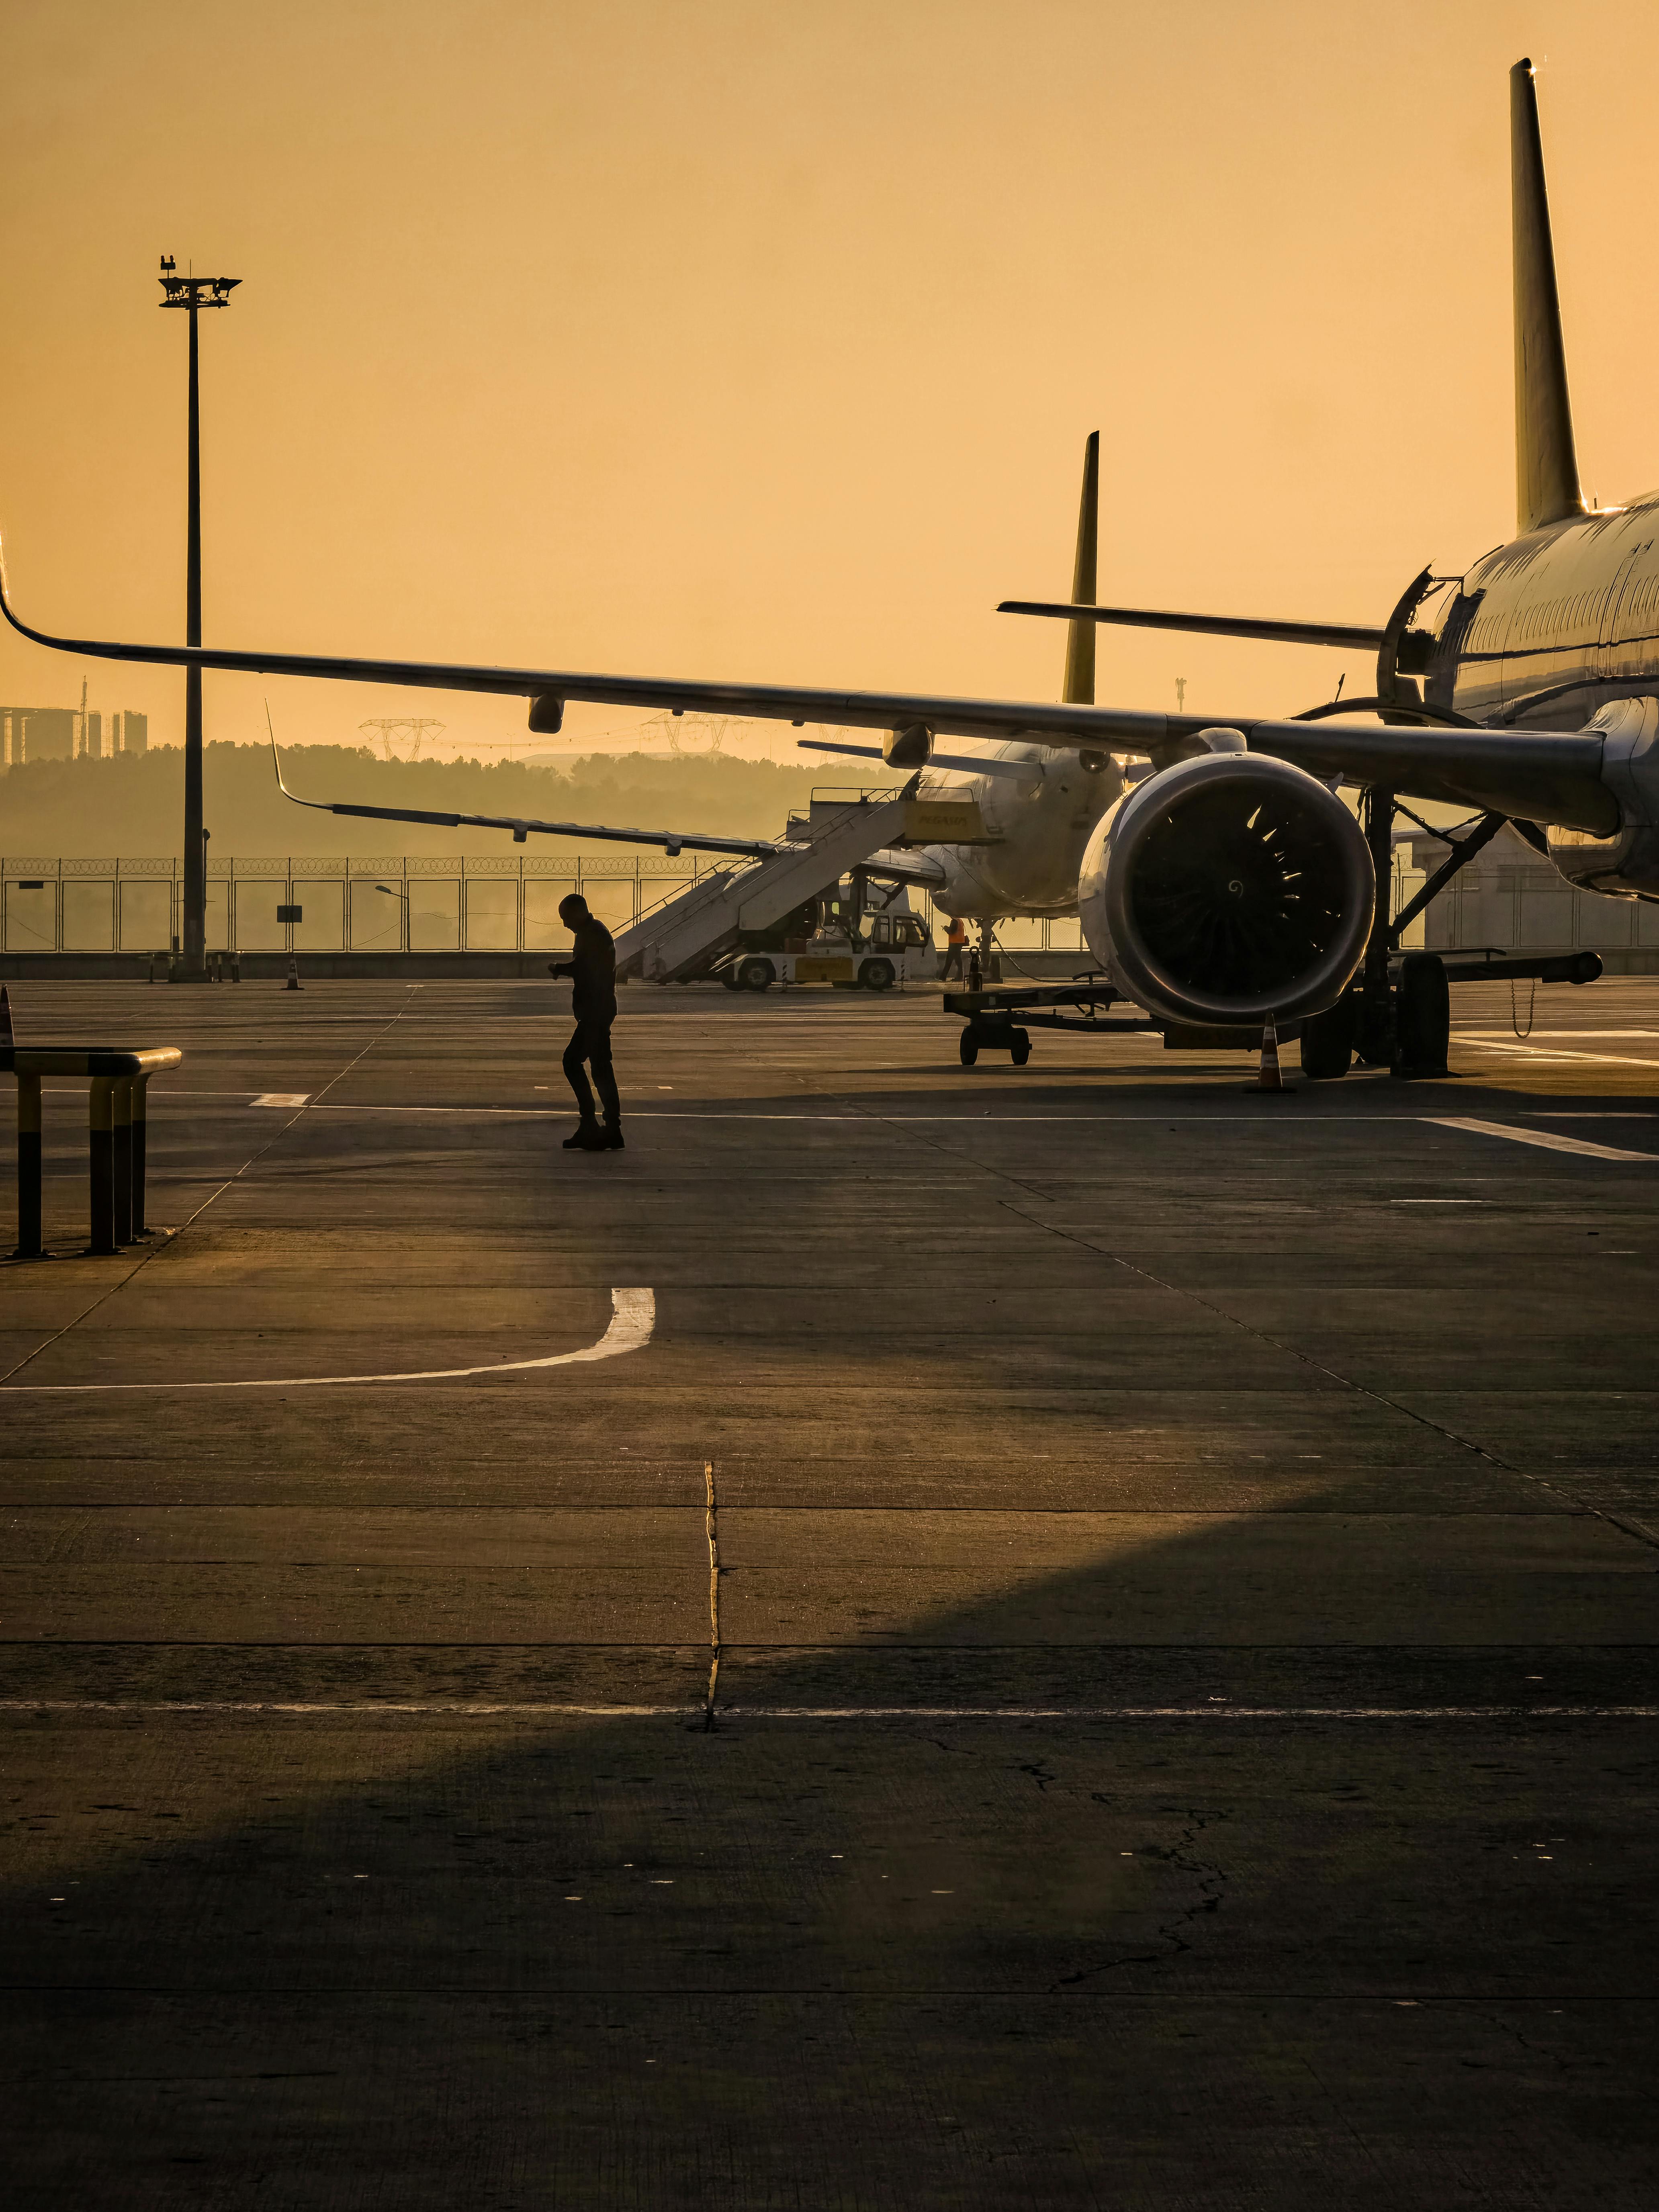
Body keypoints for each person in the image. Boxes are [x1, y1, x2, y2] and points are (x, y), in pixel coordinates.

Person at [548, 893, 622, 1150]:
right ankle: (609, 1129)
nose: (565, 924)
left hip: (596, 1012)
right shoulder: (593, 932)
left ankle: (593, 1124)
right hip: (598, 1010)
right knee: (600, 1068)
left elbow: (584, 968)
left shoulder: (592, 934)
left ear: (579, 913)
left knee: (573, 1062)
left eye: (566, 918)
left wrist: (559, 968)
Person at [940, 915, 969, 983]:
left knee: (950, 961)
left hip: (955, 943)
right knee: (956, 960)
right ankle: (945, 977)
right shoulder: (960, 920)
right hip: (959, 942)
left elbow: (952, 931)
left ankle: (944, 978)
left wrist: (946, 928)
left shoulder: (955, 921)